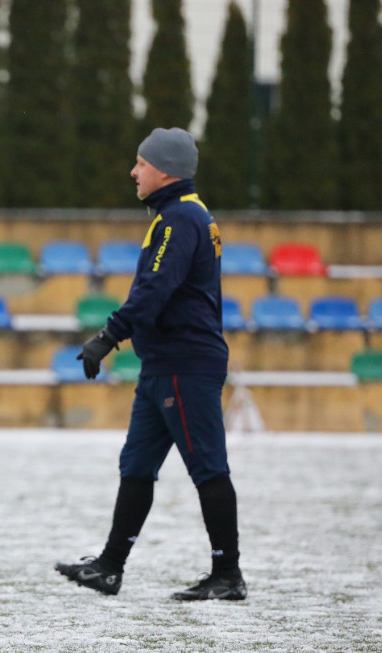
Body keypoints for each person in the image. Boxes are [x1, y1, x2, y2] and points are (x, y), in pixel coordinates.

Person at [56, 128, 246, 601]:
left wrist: (108, 336)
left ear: (164, 169)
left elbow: (154, 290)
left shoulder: (179, 219)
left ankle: (227, 575)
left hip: (185, 365)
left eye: (140, 163)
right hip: (163, 364)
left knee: (207, 467)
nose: (133, 172)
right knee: (137, 464)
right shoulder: (180, 216)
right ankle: (110, 567)